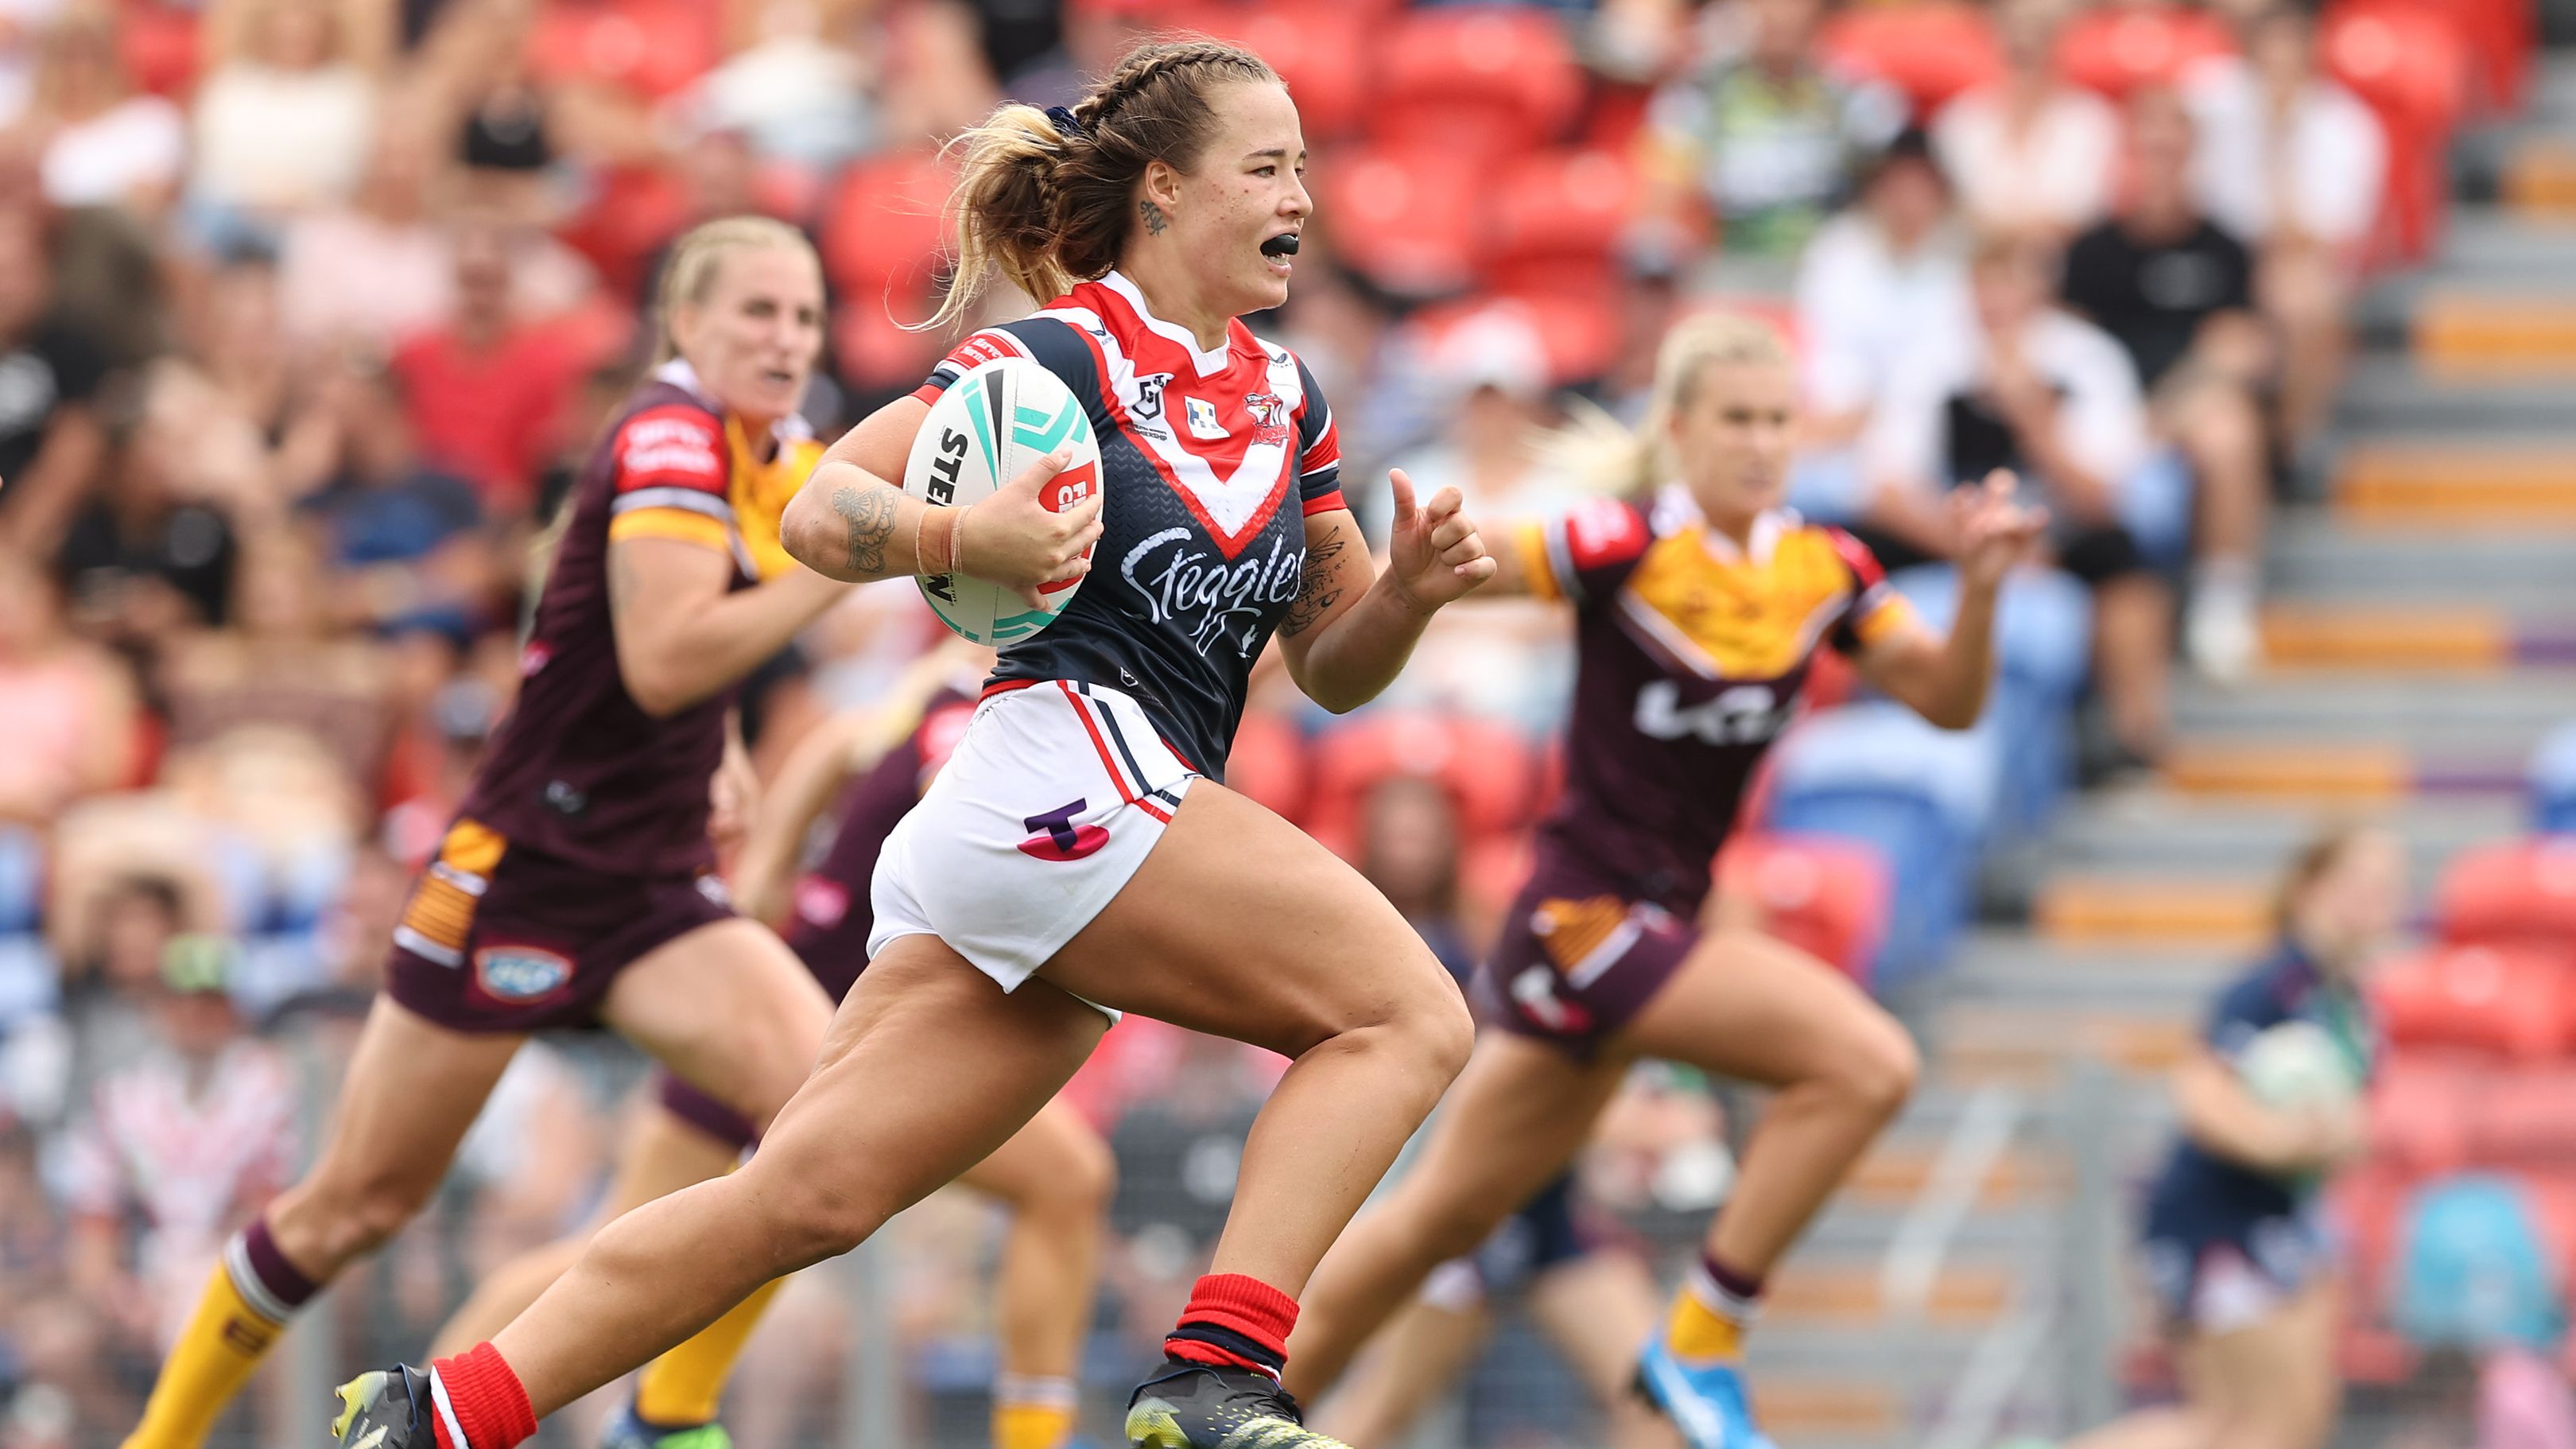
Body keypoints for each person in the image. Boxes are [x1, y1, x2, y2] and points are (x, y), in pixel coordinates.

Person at [331, 39, 1496, 1449]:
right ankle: (1214, 1365)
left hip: (1048, 829)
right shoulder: (1055, 358)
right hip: (1064, 776)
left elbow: (1334, 661)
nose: (1304, 193)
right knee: (1410, 1016)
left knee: (802, 1198)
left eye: (1306, 165)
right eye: (1269, 167)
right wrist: (958, 534)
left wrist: (1413, 598)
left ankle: (434, 1411)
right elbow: (822, 511)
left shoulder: (1288, 399)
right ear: (1169, 192)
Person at [113, 215, 856, 1449]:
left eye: (808, 316)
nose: (788, 338)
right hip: (516, 878)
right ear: (683, 324)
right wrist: (865, 562)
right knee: (356, 1201)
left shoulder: (764, 449)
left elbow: (596, 603)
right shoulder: (671, 434)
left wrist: (719, 744)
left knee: (838, 1137)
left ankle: (664, 1419)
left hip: (656, 890)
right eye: (758, 312)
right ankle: (161, 1439)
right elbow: (669, 656)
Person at [1281, 313, 2041, 1449]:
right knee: (1867, 1061)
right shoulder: (1622, 542)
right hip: (1589, 919)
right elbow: (1457, 570)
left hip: (1632, 935)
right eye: (1736, 417)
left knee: (1439, 1218)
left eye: (1779, 419)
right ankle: (1700, 1338)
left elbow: (1950, 701)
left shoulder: (1826, 568)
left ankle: (1236, 1405)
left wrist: (1978, 592)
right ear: (1679, 429)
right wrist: (1414, 572)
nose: (1761, 441)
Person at [426, 643, 1116, 1449]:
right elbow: (959, 818)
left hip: (786, 1019)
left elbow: (838, 749)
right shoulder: (991, 709)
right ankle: (641, 1414)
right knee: (1065, 1179)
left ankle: (444, 1411)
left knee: (629, 1242)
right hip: (812, 1035)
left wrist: (770, 867)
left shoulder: (937, 692)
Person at [2053, 826, 2401, 1449]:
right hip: (2216, 1221)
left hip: (2280, 1222)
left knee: (2284, 1421)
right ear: (2306, 889)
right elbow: (2201, 1095)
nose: (2371, 903)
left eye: (2384, 889)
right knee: (2252, 1426)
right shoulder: (2275, 985)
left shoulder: (2354, 1007)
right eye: (2356, 886)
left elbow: (2357, 1128)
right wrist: (2284, 1140)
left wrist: (2332, 1141)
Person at [1861, 234, 2171, 770]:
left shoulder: (2088, 360)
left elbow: (2103, 498)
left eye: (2012, 283)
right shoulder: (1930, 360)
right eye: (1988, 283)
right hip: (1953, 532)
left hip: (2055, 531)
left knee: (2124, 561)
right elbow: (1884, 490)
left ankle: (2134, 733)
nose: (1998, 302)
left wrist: (2034, 420)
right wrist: (1974, 546)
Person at [2060, 89, 2272, 682]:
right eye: (2147, 150)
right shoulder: (2092, 251)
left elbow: (2238, 349)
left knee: (2228, 427)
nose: (2159, 164)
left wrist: (2158, 419)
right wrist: (2116, 421)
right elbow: (2065, 349)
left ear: (2194, 157)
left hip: (2181, 416)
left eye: (2172, 151)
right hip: (2104, 416)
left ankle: (2222, 601)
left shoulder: (2222, 247)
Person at [1930, 0, 2117, 242]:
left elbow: (2086, 214)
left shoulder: (2093, 120)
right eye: (2016, 46)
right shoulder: (1959, 120)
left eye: (2038, 31)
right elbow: (1952, 209)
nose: (2026, 41)